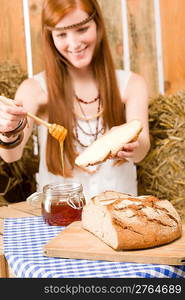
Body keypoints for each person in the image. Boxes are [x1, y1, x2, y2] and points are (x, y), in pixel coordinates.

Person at [0, 0, 150, 201]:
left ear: (98, 24)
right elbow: (11, 156)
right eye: (62, 34)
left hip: (119, 213)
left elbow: (142, 151)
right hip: (61, 218)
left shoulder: (131, 84)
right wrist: (8, 128)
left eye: (82, 29)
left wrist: (132, 147)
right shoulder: (33, 89)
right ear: (50, 37)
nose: (74, 43)